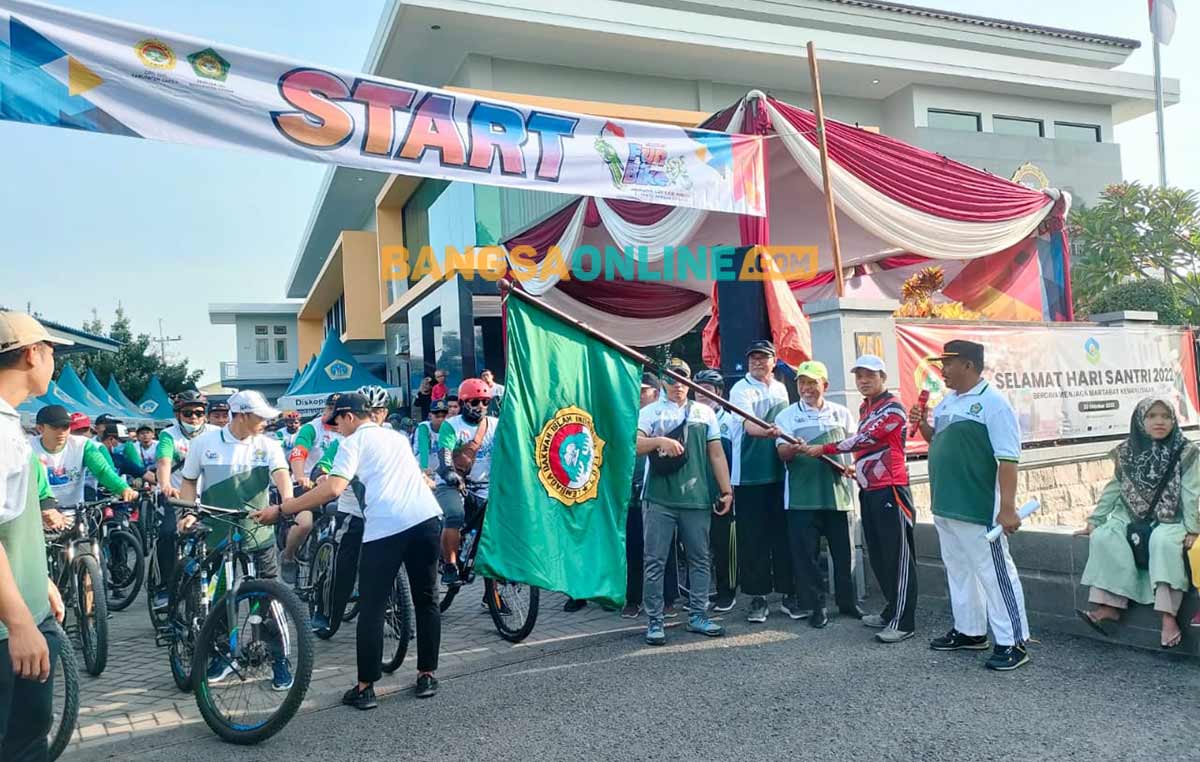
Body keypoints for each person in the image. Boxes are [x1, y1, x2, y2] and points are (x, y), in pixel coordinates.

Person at [276, 393, 443, 708]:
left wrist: (286, 508)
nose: (336, 429)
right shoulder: (395, 437)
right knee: (427, 600)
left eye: (336, 422)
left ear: (349, 416)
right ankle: (426, 675)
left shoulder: (351, 443)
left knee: (373, 607)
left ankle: (365, 687)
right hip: (426, 520)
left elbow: (333, 488)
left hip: (386, 528)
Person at [910, 340, 1030, 671]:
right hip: (947, 504)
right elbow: (938, 440)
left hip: (978, 505)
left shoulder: (994, 404)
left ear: (969, 365)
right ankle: (970, 630)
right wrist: (922, 425)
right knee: (959, 570)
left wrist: (1006, 508)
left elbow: (1008, 459)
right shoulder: (948, 401)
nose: (943, 370)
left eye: (949, 363)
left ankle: (1014, 641)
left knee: (995, 573)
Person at [178, 390, 295, 690]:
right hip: (217, 532)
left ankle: (279, 658)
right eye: (260, 418)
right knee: (219, 599)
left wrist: (287, 503)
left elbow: (282, 475)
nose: (265, 424)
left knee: (270, 599)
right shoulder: (203, 444)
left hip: (259, 531)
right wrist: (189, 512)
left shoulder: (268, 445)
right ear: (241, 415)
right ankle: (222, 656)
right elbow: (190, 481)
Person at [0, 311, 71, 761]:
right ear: (31, 354)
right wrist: (21, 622)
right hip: (8, 632)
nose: (53, 363)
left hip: (21, 610)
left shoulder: (12, 424)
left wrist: (38, 579)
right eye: (51, 353)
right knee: (22, 745)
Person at [1075, 398, 1199, 649]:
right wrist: (1095, 520)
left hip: (1171, 517)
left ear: (1174, 420)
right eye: (1151, 416)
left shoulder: (1187, 452)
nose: (1159, 422)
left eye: (1165, 416)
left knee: (1163, 543)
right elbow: (1114, 488)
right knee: (1105, 536)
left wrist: (1193, 529)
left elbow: (1192, 493)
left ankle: (1168, 617)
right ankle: (1109, 606)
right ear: (1140, 420)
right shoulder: (1128, 450)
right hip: (1131, 514)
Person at [812, 355, 916, 643]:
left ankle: (904, 621)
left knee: (897, 557)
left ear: (883, 377)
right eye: (859, 376)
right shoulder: (865, 406)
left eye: (869, 375)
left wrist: (824, 448)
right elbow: (867, 450)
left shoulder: (893, 408)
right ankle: (891, 609)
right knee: (880, 555)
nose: (863, 381)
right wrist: (854, 467)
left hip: (892, 489)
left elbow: (866, 439)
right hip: (869, 488)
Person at [637, 358, 732, 645]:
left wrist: (726, 491)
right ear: (663, 381)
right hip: (658, 499)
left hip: (697, 498)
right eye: (672, 378)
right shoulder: (651, 412)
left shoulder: (705, 412)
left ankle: (698, 615)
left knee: (700, 559)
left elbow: (716, 454)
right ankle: (655, 620)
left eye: (683, 378)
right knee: (655, 560)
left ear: (690, 381)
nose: (678, 384)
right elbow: (635, 444)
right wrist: (659, 442)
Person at [774, 361, 861, 628]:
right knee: (806, 556)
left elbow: (856, 447)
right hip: (801, 498)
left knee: (844, 553)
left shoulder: (841, 413)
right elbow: (781, 453)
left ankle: (847, 602)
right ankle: (816, 606)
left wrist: (854, 465)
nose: (806, 388)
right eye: (802, 382)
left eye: (812, 382)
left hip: (838, 495)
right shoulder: (787, 416)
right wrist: (794, 448)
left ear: (825, 385)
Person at [308, 387, 393, 635]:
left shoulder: (391, 438)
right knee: (343, 563)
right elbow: (322, 467)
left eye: (379, 411)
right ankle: (325, 612)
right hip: (353, 511)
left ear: (384, 413)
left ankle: (398, 610)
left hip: (384, 512)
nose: (375, 416)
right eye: (371, 410)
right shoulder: (343, 441)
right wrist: (322, 476)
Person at [728, 339, 794, 623]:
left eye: (762, 357)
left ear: (773, 360)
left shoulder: (781, 388)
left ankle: (790, 592)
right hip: (749, 476)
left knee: (783, 535)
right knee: (753, 538)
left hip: (780, 471)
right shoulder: (739, 389)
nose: (757, 362)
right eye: (753, 357)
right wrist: (769, 431)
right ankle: (757, 597)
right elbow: (748, 425)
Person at [152, 390, 217, 608]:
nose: (194, 418)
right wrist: (165, 485)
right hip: (179, 496)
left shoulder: (216, 433)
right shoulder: (169, 435)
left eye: (199, 413)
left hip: (209, 497)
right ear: (178, 414)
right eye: (187, 413)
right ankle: (165, 586)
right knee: (168, 534)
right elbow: (163, 461)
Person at [434, 379, 497, 586]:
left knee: (496, 525)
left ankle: (492, 595)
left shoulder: (495, 425)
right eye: (476, 402)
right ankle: (450, 565)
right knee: (455, 515)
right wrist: (451, 475)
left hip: (484, 486)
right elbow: (444, 456)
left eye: (485, 402)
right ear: (463, 402)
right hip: (452, 483)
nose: (481, 407)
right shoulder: (451, 426)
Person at [30, 406, 136, 523]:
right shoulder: (28, 448)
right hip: (40, 514)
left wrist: (123, 488)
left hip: (74, 513)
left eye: (65, 427)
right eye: (55, 427)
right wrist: (46, 509)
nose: (62, 432)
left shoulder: (82, 445)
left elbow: (102, 471)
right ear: (40, 428)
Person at [284, 394, 344, 583]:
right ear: (325, 409)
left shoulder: (347, 430)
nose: (333, 414)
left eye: (338, 410)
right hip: (307, 486)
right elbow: (298, 453)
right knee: (305, 523)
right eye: (330, 409)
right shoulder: (311, 428)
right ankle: (288, 556)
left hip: (338, 484)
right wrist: (301, 476)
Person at [694, 369, 738, 613]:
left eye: (707, 390)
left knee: (724, 545)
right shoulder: (691, 418)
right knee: (701, 546)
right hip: (697, 492)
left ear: (719, 393)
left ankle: (727, 591)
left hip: (724, 492)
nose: (701, 395)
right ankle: (704, 590)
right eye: (697, 390)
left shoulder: (730, 422)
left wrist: (730, 490)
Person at [620, 372, 662, 619]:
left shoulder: (662, 416)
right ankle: (633, 599)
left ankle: (665, 600)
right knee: (633, 548)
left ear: (655, 392)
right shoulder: (628, 417)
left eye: (643, 390)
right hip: (631, 495)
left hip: (658, 492)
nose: (638, 394)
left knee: (658, 550)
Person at [413, 399, 449, 476]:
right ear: (430, 415)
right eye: (437, 415)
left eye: (443, 416)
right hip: (421, 466)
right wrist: (424, 467)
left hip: (440, 470)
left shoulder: (450, 428)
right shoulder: (424, 427)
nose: (440, 419)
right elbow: (424, 449)